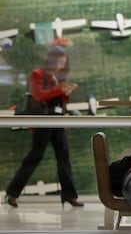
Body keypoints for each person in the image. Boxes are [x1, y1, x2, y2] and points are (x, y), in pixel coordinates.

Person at [5, 45, 83, 208]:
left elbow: (58, 100)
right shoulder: (38, 74)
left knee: (64, 156)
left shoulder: (59, 77)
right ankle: (12, 193)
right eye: (60, 61)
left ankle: (69, 195)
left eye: (64, 61)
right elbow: (38, 95)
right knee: (36, 155)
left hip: (58, 119)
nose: (63, 64)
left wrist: (65, 93)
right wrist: (58, 89)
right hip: (44, 119)